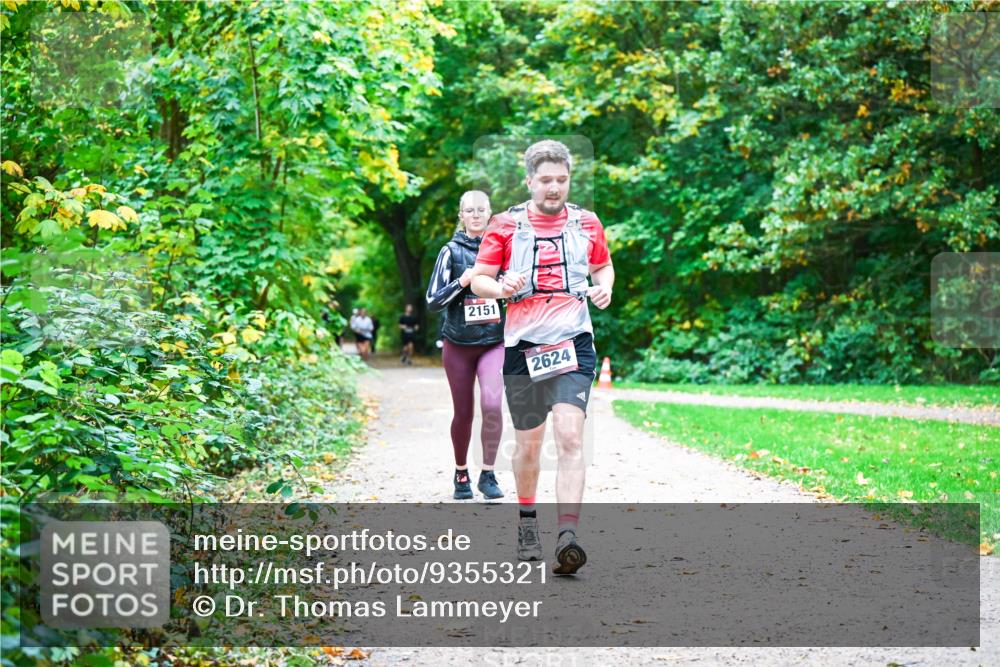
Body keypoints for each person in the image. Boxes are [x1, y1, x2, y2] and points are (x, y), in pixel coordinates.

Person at [470, 140, 613, 575]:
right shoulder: (504, 225)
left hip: (573, 342)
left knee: (571, 437)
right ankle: (527, 521)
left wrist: (605, 286)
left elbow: (602, 265)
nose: (554, 188)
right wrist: (500, 288)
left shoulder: (587, 223)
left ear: (570, 180)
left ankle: (568, 534)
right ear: (530, 180)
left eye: (562, 180)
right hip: (523, 348)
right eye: (546, 180)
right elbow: (478, 280)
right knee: (529, 446)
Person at [426, 190, 506, 500]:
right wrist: (463, 281)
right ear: (461, 216)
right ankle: (461, 472)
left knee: (492, 405)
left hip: (493, 342)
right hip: (457, 343)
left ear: (489, 214)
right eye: (469, 210)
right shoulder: (450, 251)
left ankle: (488, 473)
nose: (475, 215)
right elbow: (432, 301)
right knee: (464, 411)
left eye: (480, 210)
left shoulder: (502, 250)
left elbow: (513, 289)